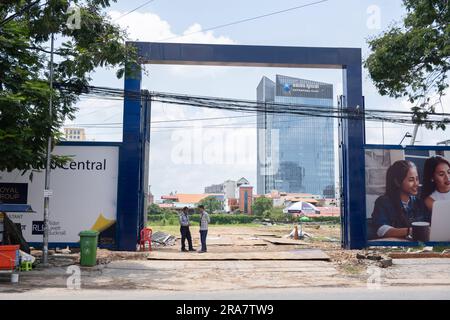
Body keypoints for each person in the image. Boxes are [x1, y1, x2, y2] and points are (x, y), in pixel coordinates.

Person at [371, 160, 430, 239]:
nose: (416, 184)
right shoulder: (383, 202)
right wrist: (410, 231)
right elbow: (381, 229)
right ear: (397, 182)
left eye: (417, 179)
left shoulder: (420, 203)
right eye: (411, 180)